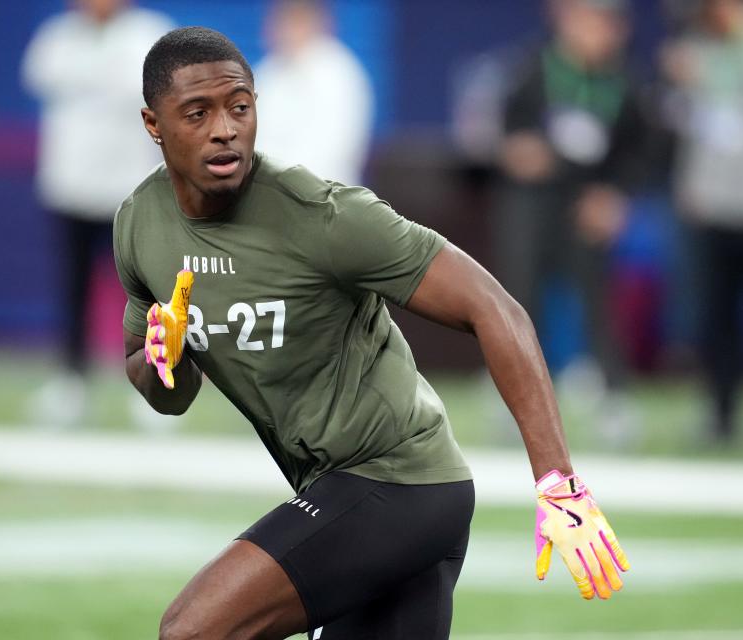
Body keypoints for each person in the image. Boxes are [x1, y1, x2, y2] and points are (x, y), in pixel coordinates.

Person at [115, 27, 630, 639]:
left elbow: (497, 309)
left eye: (240, 107)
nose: (225, 128)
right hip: (344, 489)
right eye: (197, 114)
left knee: (192, 631)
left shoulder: (323, 215)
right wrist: (162, 362)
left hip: (400, 483)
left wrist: (557, 482)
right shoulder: (140, 226)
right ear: (153, 124)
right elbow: (166, 393)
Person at [494, 0, 651, 442]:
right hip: (532, 203)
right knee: (519, 302)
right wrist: (519, 152)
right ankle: (514, 403)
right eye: (589, 21)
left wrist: (615, 196)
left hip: (588, 203)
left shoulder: (626, 81)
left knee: (597, 302)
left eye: (607, 24)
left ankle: (614, 400)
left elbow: (639, 151)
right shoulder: (530, 69)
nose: (598, 33)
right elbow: (505, 132)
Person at [21, 0, 173, 426]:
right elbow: (39, 76)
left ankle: (158, 387)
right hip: (71, 187)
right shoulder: (58, 37)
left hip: (130, 191)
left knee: (148, 294)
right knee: (73, 292)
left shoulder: (151, 35)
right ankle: (71, 384)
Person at [661, 0, 743, 446]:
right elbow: (687, 123)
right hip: (711, 202)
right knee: (715, 315)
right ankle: (721, 413)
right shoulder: (694, 47)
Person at [253, 0, 374, 186]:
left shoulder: (339, 73)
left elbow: (332, 149)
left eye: (294, 22)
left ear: (316, 22)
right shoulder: (268, 72)